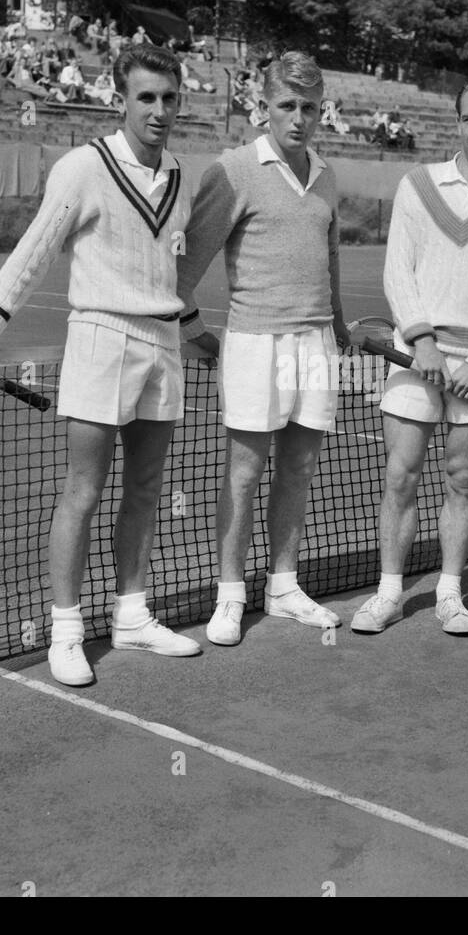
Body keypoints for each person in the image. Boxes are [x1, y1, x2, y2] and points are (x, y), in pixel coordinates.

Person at [0, 44, 205, 684]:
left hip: (163, 346)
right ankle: (66, 631)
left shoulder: (183, 175)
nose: (159, 110)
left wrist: (197, 333)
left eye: (169, 98)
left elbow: (173, 272)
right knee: (83, 491)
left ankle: (132, 617)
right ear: (122, 98)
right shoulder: (82, 168)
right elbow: (36, 249)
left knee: (144, 490)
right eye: (147, 97)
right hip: (99, 339)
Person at [351, 75, 468, 635]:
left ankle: (450, 593)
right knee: (401, 477)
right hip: (418, 357)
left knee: (463, 480)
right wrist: (427, 345)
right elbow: (398, 271)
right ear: (457, 122)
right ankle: (388, 594)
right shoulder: (418, 184)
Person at [175, 51, 350, 647]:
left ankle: (282, 584)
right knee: (244, 473)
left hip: (317, 341)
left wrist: (341, 329)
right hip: (254, 340)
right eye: (287, 106)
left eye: (309, 107)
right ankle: (230, 593)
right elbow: (187, 262)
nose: (298, 118)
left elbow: (327, 259)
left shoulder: (326, 174)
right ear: (263, 108)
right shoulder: (234, 169)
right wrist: (195, 329)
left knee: (298, 469)